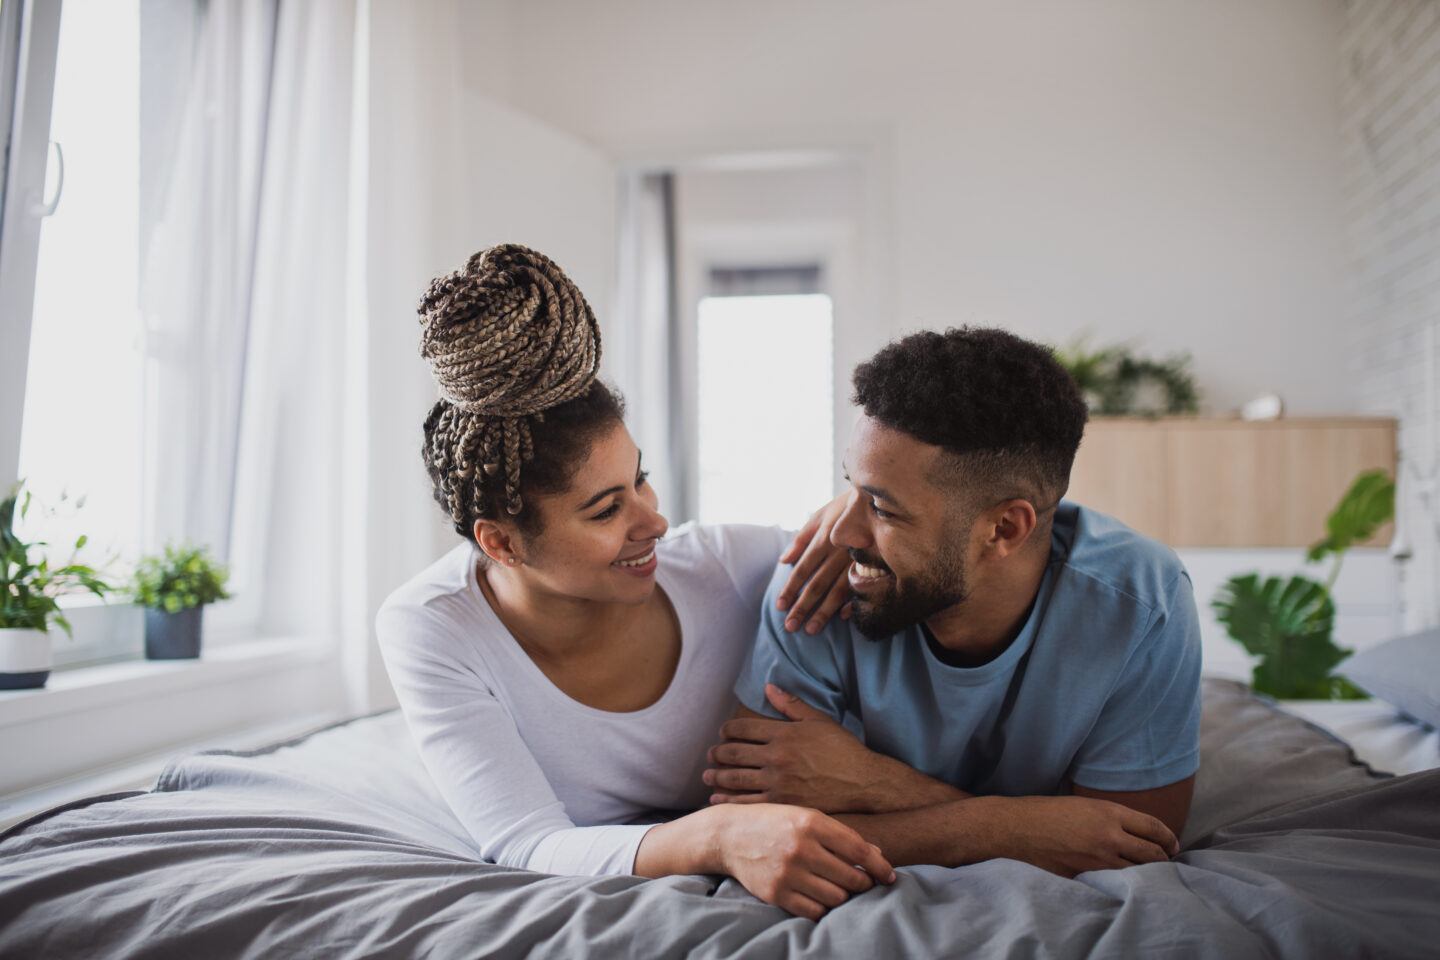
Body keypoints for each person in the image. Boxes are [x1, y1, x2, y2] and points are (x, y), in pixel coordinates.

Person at [375, 244, 893, 922]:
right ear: (501, 543)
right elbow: (527, 840)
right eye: (606, 509)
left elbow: (886, 543)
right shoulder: (433, 624)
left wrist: (845, 514)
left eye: (639, 479)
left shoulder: (720, 567)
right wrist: (718, 835)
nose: (656, 520)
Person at [704, 327, 1202, 878]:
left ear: (1004, 528)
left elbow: (1128, 847)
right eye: (852, 487)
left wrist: (876, 784)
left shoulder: (1139, 603)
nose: (841, 532)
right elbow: (753, 829)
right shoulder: (815, 586)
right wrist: (1017, 830)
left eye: (883, 508)